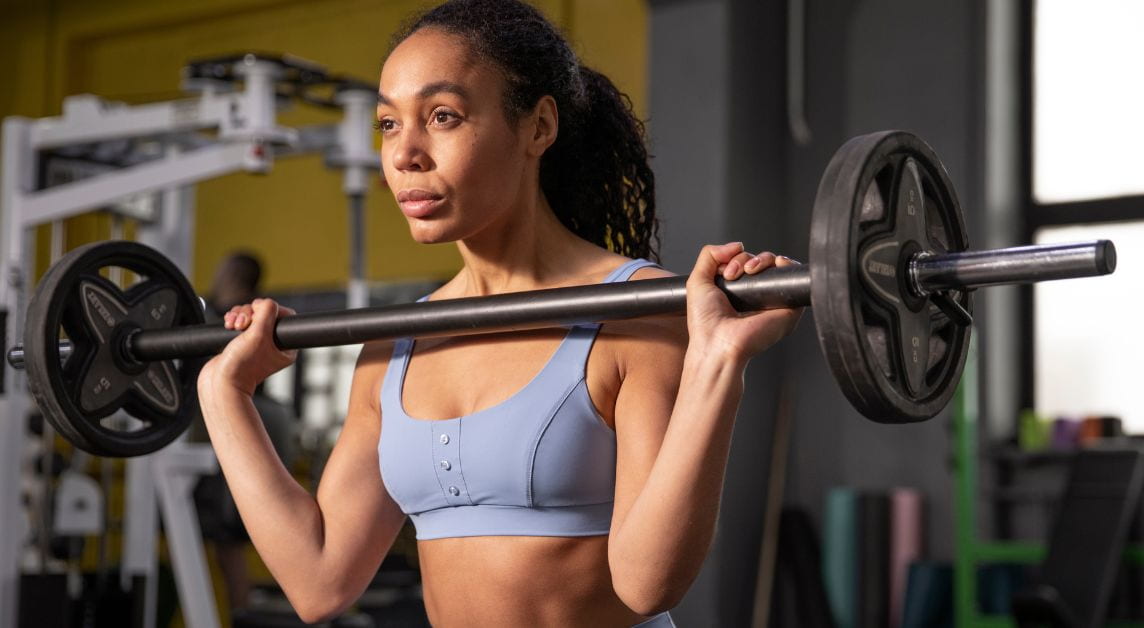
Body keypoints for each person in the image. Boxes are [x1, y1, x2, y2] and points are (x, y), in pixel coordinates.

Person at [196, 1, 801, 625]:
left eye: (441, 116)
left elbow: (647, 584)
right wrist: (223, 391)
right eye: (388, 123)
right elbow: (318, 580)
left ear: (538, 127)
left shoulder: (635, 315)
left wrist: (718, 358)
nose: (405, 153)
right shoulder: (396, 347)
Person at [194, 251, 297, 614]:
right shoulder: (234, 312)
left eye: (224, 269)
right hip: (241, 421)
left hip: (241, 419)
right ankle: (239, 611)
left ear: (233, 274)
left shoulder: (239, 315)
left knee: (232, 535)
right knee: (233, 534)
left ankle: (242, 614)